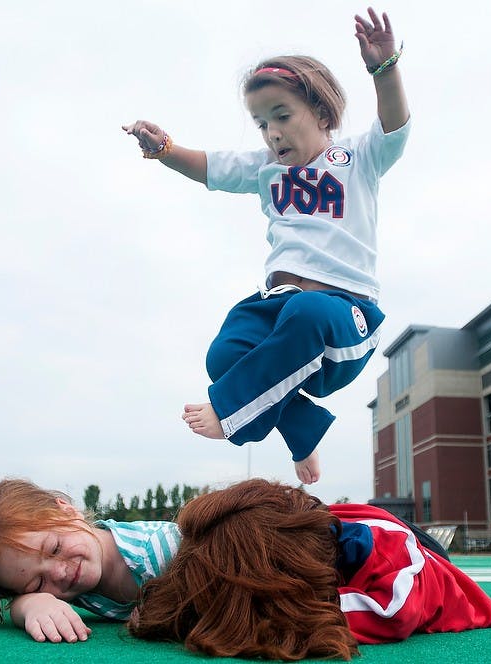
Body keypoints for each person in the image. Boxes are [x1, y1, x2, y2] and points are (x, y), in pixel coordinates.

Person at [122, 7, 410, 485]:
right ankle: (302, 428)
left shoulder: (358, 158)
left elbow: (394, 124)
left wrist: (384, 69)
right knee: (225, 353)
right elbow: (208, 167)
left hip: (344, 322)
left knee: (309, 313)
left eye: (282, 116)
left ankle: (231, 413)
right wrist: (165, 149)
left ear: (321, 114)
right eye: (261, 123)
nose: (272, 132)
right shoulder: (265, 169)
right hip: (278, 309)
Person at [128, 479, 491, 660]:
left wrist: (269, 619)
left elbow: (392, 615)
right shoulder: (272, 532)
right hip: (330, 531)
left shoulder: (398, 572)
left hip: (425, 550)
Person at [0, 478, 180, 643]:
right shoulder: (73, 586)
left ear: (68, 510)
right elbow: (18, 604)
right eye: (38, 584)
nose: (60, 573)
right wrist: (34, 604)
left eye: (54, 548)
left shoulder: (163, 548)